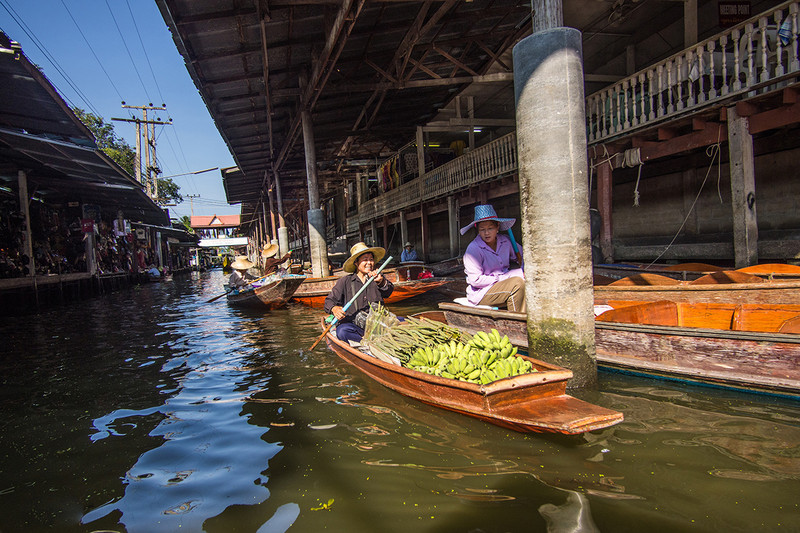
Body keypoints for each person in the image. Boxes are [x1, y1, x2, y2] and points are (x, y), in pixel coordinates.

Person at [324, 242, 394, 343]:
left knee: (403, 322)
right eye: (365, 260)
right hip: (354, 325)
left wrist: (381, 282)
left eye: (371, 259)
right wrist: (334, 309)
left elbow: (388, 292)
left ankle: (374, 339)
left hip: (377, 323)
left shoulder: (377, 277)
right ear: (356, 263)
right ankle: (366, 343)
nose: (369, 263)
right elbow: (329, 301)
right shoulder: (345, 281)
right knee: (343, 332)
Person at [461, 204, 526, 312]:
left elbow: (525, 256)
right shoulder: (473, 249)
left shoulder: (505, 241)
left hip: (503, 285)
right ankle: (516, 320)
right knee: (517, 284)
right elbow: (475, 280)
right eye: (482, 229)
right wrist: (505, 277)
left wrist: (523, 271)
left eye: (490, 228)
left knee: (526, 280)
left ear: (497, 227)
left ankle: (525, 317)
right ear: (478, 230)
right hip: (482, 293)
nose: (486, 233)